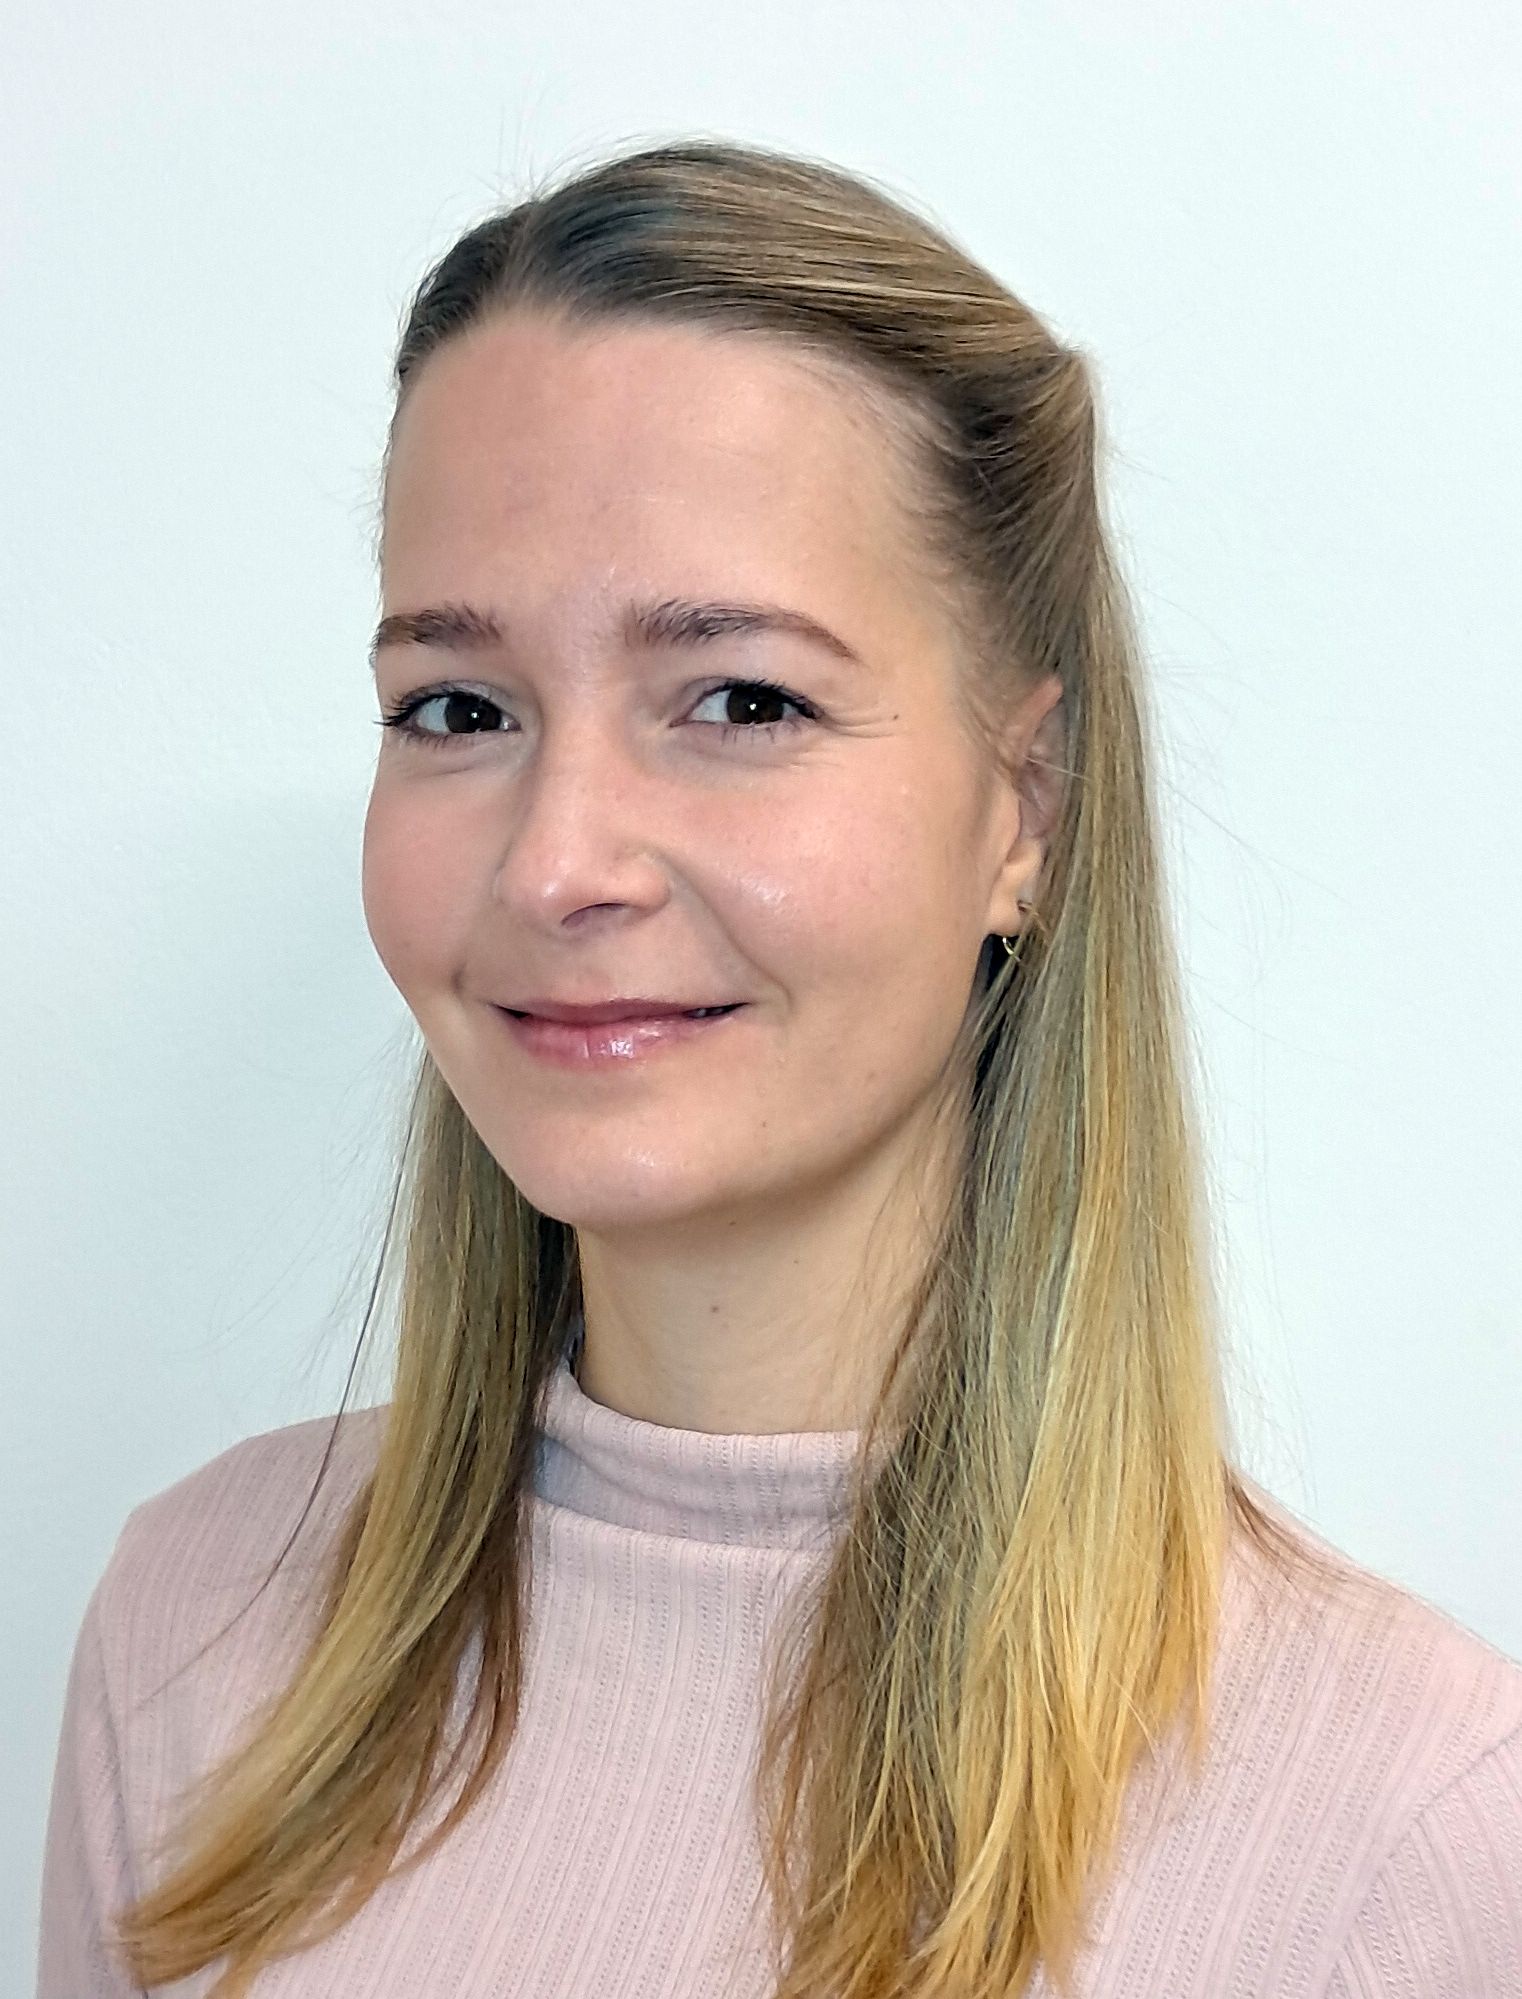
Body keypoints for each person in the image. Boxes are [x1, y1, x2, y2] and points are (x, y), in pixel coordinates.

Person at [37, 138, 1522, 1999]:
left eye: (742, 699)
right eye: (458, 708)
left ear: (1024, 811)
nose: (557, 863)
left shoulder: (1400, 1831)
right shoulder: (195, 1629)